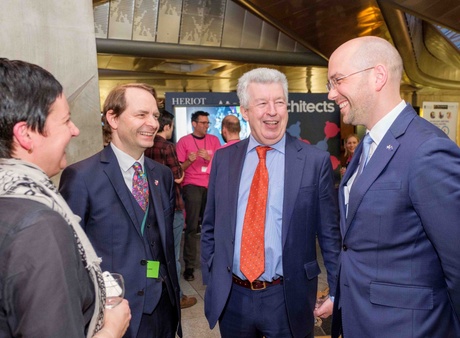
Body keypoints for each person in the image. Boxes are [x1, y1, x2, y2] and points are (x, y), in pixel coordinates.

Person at [327, 36, 460, 337]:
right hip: (360, 318)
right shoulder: (368, 145)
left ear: (378, 76)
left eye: (337, 80)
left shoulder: (427, 150)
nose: (331, 93)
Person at [200, 67, 341, 337]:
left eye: (279, 102)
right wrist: (213, 276)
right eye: (262, 103)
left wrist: (336, 289)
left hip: (288, 296)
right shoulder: (225, 159)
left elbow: (330, 235)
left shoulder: (313, 161)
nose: (272, 111)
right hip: (233, 298)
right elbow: (210, 225)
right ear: (245, 111)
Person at [0, 58, 131, 338]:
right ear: (26, 134)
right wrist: (111, 329)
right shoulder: (38, 225)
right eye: (65, 120)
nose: (75, 130)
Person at [59, 83, 181, 338]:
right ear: (112, 118)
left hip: (164, 311)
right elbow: (70, 259)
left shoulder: (163, 175)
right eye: (141, 114)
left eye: (155, 116)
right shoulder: (81, 177)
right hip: (116, 316)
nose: (153, 123)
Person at [144, 109, 197, 309]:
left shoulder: (145, 145)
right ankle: (176, 295)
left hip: (149, 207)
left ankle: (152, 291)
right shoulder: (167, 146)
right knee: (172, 254)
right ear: (167, 126)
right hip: (170, 207)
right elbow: (178, 177)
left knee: (152, 253)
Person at [176, 111, 221, 281]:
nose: (206, 126)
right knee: (192, 227)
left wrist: (210, 158)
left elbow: (220, 165)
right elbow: (179, 170)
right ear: (194, 124)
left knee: (213, 227)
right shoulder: (184, 142)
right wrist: (189, 161)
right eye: (202, 123)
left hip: (211, 185)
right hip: (192, 185)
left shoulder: (214, 141)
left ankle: (215, 262)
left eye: (207, 123)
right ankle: (189, 266)